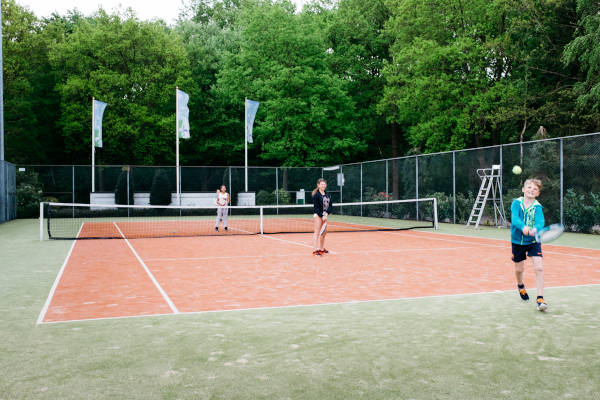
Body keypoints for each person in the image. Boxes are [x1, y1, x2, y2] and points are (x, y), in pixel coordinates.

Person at [510, 178, 547, 311]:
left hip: (533, 241)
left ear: (537, 193)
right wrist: (523, 227)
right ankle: (520, 285)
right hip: (517, 241)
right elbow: (515, 218)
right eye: (529, 187)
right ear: (523, 190)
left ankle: (540, 298)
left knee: (539, 268)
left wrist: (536, 229)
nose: (532, 190)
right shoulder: (516, 203)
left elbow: (540, 221)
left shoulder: (537, 207)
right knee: (519, 269)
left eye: (535, 189)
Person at [312, 178, 333, 256]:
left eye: (324, 184)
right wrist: (322, 215)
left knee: (324, 233)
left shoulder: (328, 194)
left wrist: (327, 213)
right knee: (317, 233)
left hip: (325, 216)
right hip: (318, 215)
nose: (323, 185)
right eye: (322, 184)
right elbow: (316, 208)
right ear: (318, 185)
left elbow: (330, 206)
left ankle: (321, 249)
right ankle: (315, 250)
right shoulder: (316, 195)